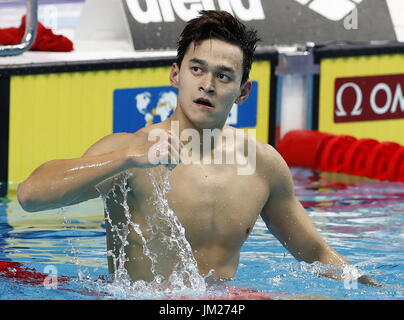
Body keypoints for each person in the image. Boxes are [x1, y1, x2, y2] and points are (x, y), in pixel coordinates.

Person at [17, 10, 378, 288]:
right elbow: (31, 195)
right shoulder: (129, 149)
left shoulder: (261, 164)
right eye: (197, 69)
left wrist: (376, 289)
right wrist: (127, 159)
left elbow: (315, 254)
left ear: (243, 92)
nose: (207, 85)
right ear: (176, 74)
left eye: (223, 76)